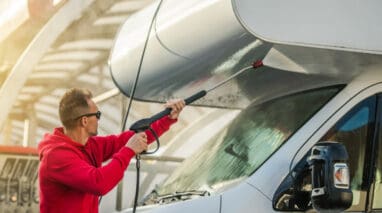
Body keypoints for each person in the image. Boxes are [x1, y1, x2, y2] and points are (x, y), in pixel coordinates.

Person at [38, 88, 185, 213]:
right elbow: (98, 182)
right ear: (84, 121)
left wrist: (167, 118)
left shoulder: (90, 145)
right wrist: (129, 151)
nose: (99, 119)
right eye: (97, 115)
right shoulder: (56, 156)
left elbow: (126, 140)